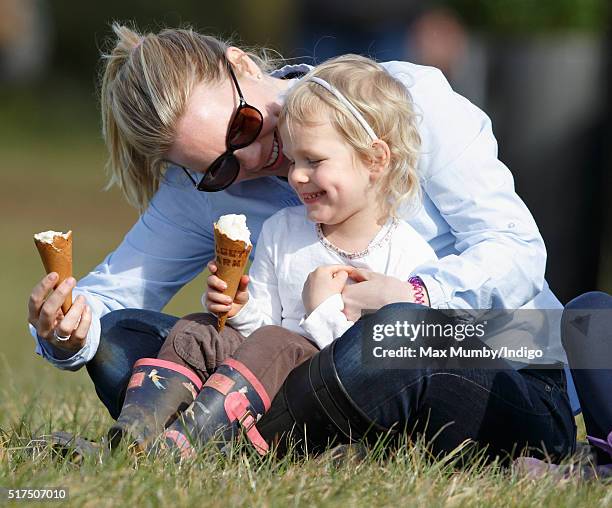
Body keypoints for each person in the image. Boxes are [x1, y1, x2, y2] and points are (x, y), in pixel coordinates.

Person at [26, 24, 575, 462]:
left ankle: (215, 442)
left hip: (504, 348)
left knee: (388, 334)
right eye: (218, 167)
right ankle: (210, 440)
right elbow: (109, 297)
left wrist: (416, 292)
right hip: (297, 362)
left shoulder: (405, 99)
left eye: (242, 126)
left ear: (242, 64)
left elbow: (516, 247)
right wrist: (63, 327)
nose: (253, 160)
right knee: (118, 335)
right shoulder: (196, 192)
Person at [106, 55, 437, 456]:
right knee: (198, 328)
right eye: (294, 160)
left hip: (326, 401)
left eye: (313, 161)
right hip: (263, 378)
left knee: (278, 342)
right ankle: (134, 436)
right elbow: (259, 326)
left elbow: (377, 365)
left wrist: (320, 311)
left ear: (375, 159)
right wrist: (240, 307)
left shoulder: (405, 252)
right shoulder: (283, 228)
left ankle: (188, 447)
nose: (296, 175)